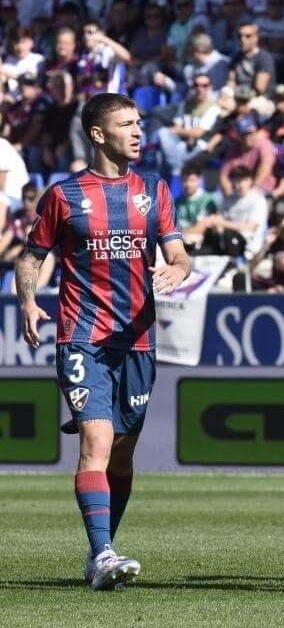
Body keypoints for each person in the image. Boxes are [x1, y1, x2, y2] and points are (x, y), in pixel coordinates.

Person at [15, 92, 190, 590]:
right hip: (82, 338)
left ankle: (100, 552)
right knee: (96, 441)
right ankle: (104, 551)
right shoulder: (64, 196)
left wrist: (176, 269)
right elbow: (30, 257)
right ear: (98, 134)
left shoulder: (153, 190)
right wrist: (29, 301)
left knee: (122, 455)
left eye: (139, 123)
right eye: (126, 124)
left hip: (137, 342)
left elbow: (179, 254)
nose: (138, 132)